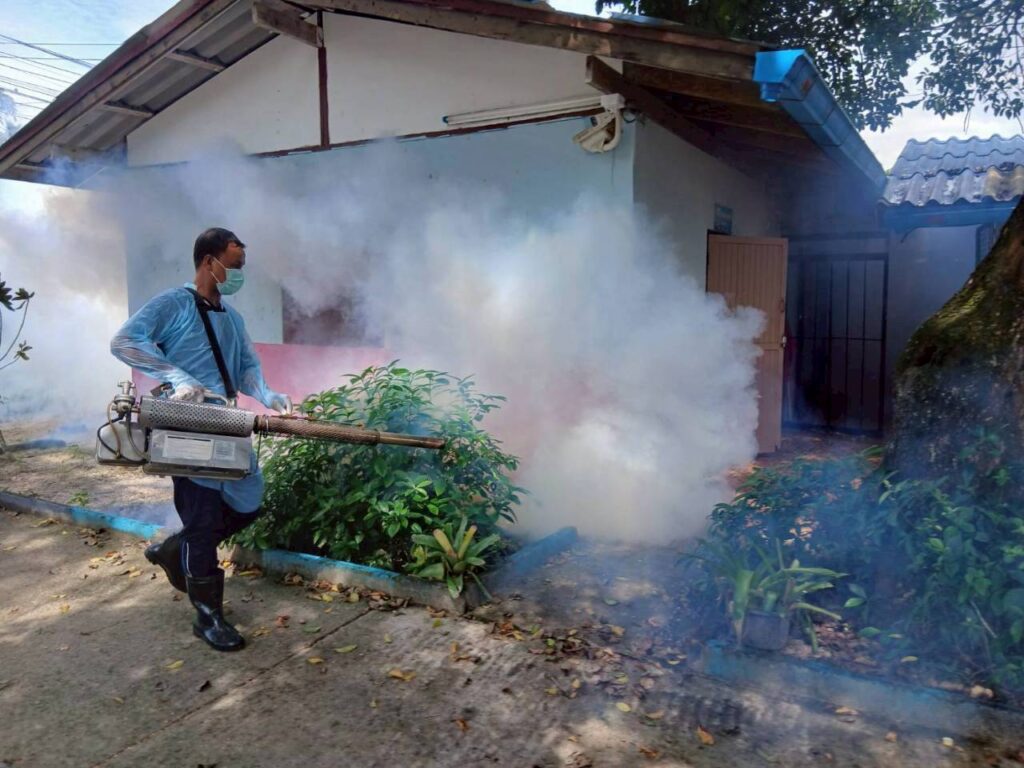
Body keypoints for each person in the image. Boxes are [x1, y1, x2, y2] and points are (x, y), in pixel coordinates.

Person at [110, 227, 292, 652]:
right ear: (209, 262)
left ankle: (180, 547)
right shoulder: (173, 303)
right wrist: (175, 376)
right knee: (203, 518)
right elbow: (124, 342)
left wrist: (268, 394)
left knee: (249, 498)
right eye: (234, 264)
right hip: (187, 426)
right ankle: (208, 615)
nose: (238, 273)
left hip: (227, 423)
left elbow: (246, 369)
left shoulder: (233, 318)